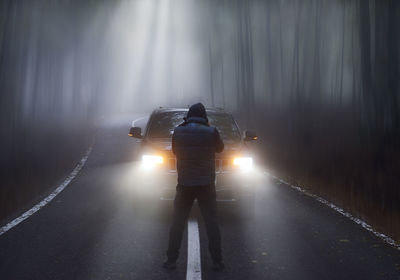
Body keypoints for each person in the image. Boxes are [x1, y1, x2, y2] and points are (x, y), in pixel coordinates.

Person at [163, 103, 225, 271]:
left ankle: (171, 260)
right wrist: (209, 129)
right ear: (204, 116)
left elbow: (175, 151)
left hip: (184, 184)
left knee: (177, 223)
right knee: (211, 223)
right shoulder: (211, 132)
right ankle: (217, 261)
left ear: (189, 115)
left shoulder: (178, 131)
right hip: (206, 185)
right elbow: (220, 149)